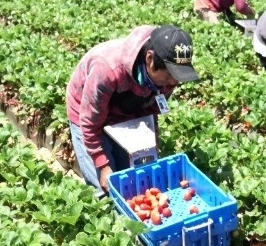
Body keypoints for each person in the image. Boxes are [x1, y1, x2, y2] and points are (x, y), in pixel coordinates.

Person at [67, 25, 199, 193]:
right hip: (87, 111)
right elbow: (90, 123)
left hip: (125, 110)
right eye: (170, 75)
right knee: (105, 188)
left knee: (130, 179)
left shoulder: (168, 79)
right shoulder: (107, 69)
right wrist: (103, 164)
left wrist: (151, 141)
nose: (173, 83)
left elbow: (151, 109)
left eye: (179, 76)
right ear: (150, 59)